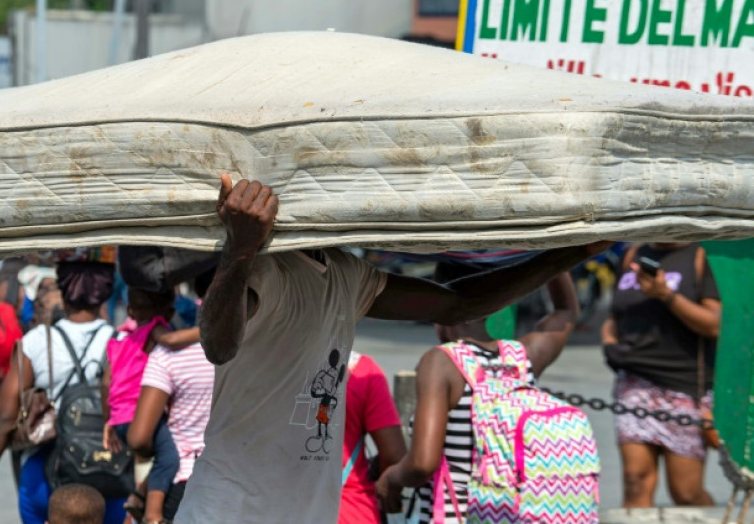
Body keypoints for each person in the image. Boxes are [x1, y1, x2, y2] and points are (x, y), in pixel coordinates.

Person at [174, 175, 611, 523]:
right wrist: (239, 252)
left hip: (311, 510)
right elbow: (218, 343)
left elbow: (461, 301)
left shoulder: (348, 274)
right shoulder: (265, 268)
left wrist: (569, 254)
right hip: (230, 510)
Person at [375, 264, 578, 523]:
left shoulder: (442, 362)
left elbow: (422, 464)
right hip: (511, 513)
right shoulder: (521, 358)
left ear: (438, 304)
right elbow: (566, 311)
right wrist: (550, 253)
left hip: (457, 515)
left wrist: (391, 477)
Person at [0, 260, 126, 524]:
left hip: (45, 475)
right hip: (109, 475)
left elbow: (3, 418)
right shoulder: (121, 341)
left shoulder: (37, 342)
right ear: (105, 295)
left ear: (63, 293)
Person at [602, 242, 721, 507]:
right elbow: (615, 312)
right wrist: (609, 339)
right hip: (634, 383)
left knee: (686, 493)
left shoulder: (699, 256)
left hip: (683, 385)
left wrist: (665, 294)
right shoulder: (633, 254)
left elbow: (714, 324)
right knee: (635, 480)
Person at [101, 288, 198, 523]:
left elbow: (106, 382)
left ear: (130, 310)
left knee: (161, 457)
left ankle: (137, 496)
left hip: (121, 417)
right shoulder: (154, 328)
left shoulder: (119, 337)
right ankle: (153, 514)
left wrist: (109, 420)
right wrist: (208, 330)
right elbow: (171, 340)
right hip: (138, 415)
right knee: (171, 458)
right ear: (166, 311)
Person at [126, 317, 215, 523]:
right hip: (233, 476)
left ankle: (151, 513)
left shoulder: (168, 355)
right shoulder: (244, 349)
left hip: (183, 477)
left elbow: (139, 438)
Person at [339, 352, 406, 524]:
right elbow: (394, 455)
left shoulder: (266, 361)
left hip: (272, 506)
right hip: (348, 509)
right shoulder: (361, 370)